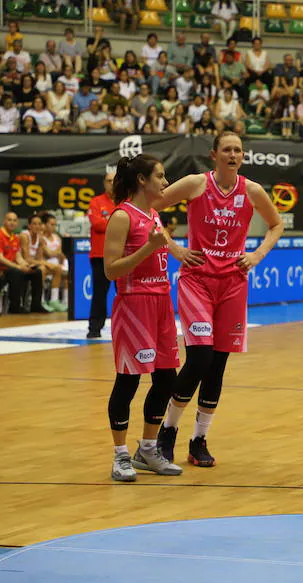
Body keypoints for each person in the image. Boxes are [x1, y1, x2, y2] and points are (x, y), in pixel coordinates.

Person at [153, 132, 284, 467]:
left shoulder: (252, 190)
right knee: (199, 358)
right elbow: (150, 208)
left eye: (238, 150)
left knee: (218, 365)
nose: (233, 154)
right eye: (227, 149)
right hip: (197, 280)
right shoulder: (196, 184)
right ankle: (167, 431)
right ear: (214, 155)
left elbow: (276, 225)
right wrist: (174, 247)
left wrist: (257, 255)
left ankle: (199, 439)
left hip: (233, 284)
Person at [102, 154, 182, 482]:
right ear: (142, 180)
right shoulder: (122, 216)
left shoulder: (152, 214)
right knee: (129, 381)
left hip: (162, 304)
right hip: (134, 306)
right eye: (160, 176)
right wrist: (146, 250)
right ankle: (120, 455)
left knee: (166, 379)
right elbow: (110, 270)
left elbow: (159, 249)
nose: (165, 183)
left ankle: (148, 449)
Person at [0, 212, 46, 314]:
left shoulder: (15, 237)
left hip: (11, 268)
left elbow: (18, 256)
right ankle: (15, 307)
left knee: (36, 272)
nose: (12, 223)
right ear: (4, 221)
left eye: (14, 220)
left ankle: (36, 306)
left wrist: (25, 265)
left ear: (17, 223)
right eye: (9, 220)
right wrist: (18, 267)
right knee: (16, 272)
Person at [89, 172, 116, 337]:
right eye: (108, 181)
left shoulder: (125, 201)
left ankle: (127, 326)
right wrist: (119, 222)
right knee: (99, 293)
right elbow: (97, 224)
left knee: (125, 294)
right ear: (104, 183)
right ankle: (94, 328)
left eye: (114, 180)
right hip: (100, 255)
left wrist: (109, 221)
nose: (112, 183)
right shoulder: (96, 202)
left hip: (122, 255)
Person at [40, 213, 68, 312]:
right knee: (57, 269)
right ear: (44, 224)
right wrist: (58, 251)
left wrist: (58, 254)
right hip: (46, 265)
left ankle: (64, 301)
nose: (53, 227)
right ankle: (47, 300)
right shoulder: (41, 238)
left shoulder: (56, 237)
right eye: (51, 224)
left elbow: (61, 254)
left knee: (68, 273)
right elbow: (49, 253)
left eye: (55, 225)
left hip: (57, 265)